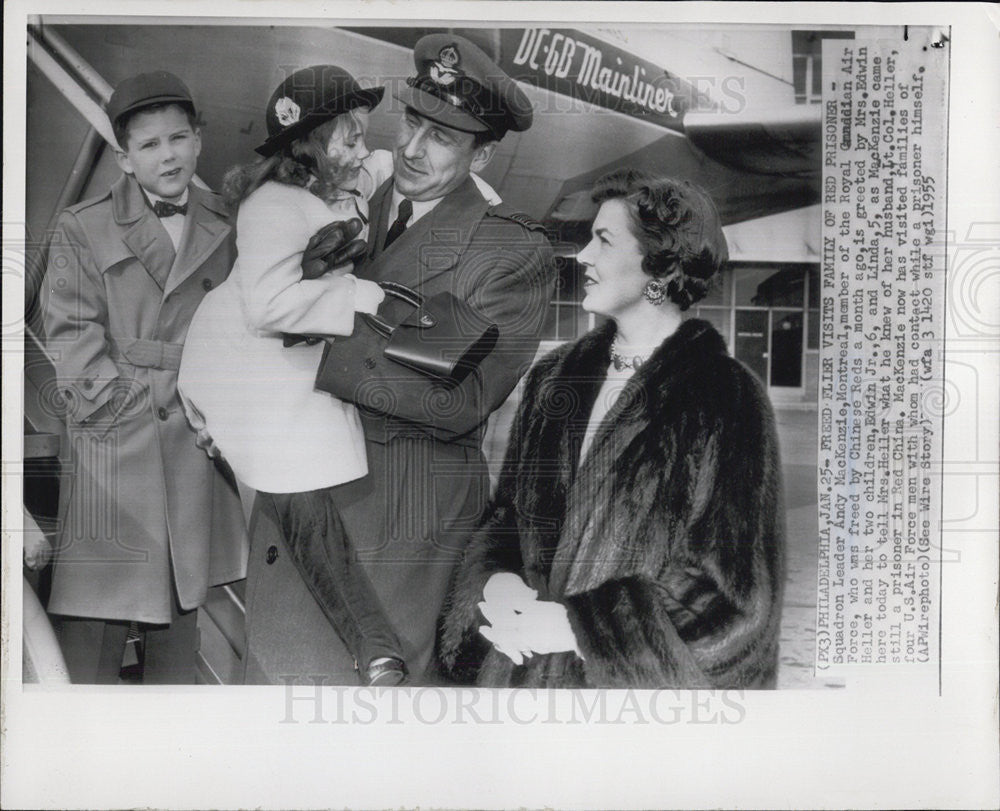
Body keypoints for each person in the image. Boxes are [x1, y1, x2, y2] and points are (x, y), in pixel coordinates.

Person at [241, 34, 556, 685]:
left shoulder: (504, 251)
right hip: (296, 526)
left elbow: (456, 399)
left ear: (485, 153)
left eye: (442, 136)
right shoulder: (349, 205)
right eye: (413, 120)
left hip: (391, 553)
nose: (412, 148)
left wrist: (307, 347)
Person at [438, 169, 786, 689]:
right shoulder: (555, 378)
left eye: (602, 240)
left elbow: (737, 601)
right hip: (523, 686)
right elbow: (509, 519)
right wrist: (497, 585)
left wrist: (581, 628)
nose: (582, 256)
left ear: (659, 266)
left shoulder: (725, 396)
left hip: (626, 714)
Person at [179, 65, 418, 685]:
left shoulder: (341, 175)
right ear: (310, 146)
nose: (362, 149)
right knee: (298, 498)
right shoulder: (272, 207)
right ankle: (372, 646)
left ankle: (372, 646)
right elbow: (266, 308)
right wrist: (364, 296)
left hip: (282, 361)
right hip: (239, 359)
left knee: (301, 499)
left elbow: (386, 166)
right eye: (349, 138)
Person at [41, 71, 246, 684]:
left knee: (181, 614)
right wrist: (124, 414)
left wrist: (222, 416)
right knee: (95, 620)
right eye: (150, 145)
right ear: (125, 159)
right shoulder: (84, 224)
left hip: (196, 435)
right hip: (117, 438)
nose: (168, 155)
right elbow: (72, 335)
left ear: (199, 142)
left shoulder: (227, 221)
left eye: (178, 138)